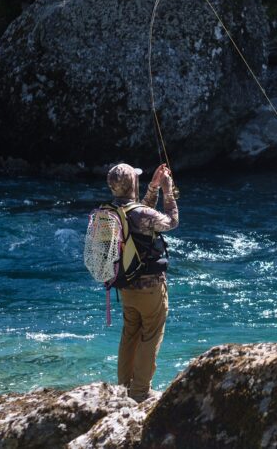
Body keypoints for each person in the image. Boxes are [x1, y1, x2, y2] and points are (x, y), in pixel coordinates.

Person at [106, 162, 179, 402]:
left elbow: (141, 216)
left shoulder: (111, 211)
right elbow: (170, 222)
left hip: (126, 286)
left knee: (130, 334)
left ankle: (124, 389)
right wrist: (168, 191)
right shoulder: (140, 214)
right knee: (150, 335)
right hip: (150, 288)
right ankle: (140, 392)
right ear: (132, 184)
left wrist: (154, 187)